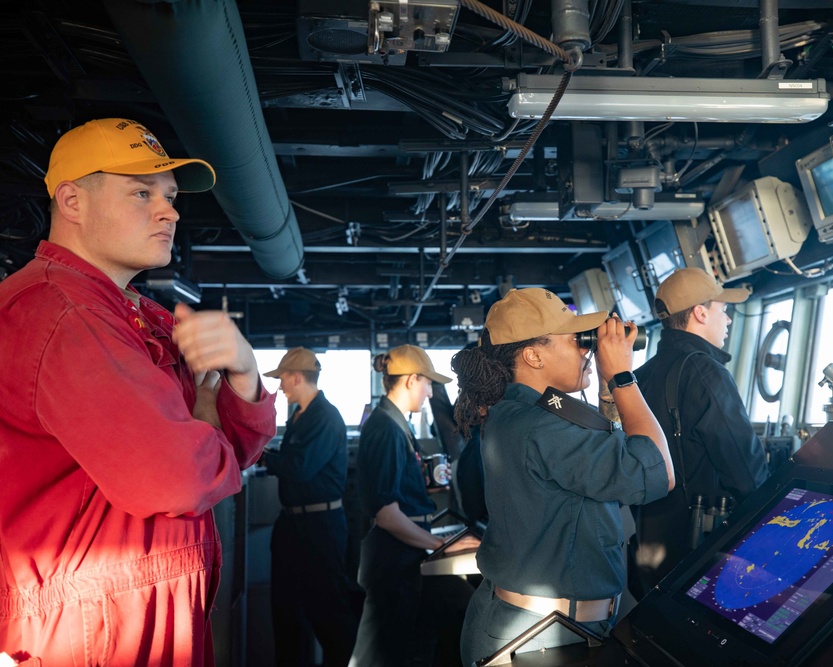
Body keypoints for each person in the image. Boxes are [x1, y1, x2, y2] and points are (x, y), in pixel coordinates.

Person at [0, 118, 276, 665]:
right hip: (94, 625)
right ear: (72, 200)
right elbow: (175, 479)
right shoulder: (65, 313)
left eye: (171, 196)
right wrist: (207, 426)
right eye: (142, 192)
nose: (169, 210)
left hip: (134, 603)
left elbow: (219, 458)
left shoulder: (137, 318)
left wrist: (242, 377)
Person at [452, 288, 675, 666]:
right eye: (575, 339)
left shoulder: (514, 411)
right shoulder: (542, 426)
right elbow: (657, 471)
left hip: (530, 625)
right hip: (542, 636)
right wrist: (622, 375)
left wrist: (605, 391)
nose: (585, 348)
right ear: (533, 355)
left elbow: (596, 450)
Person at [630, 267, 770, 597]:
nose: (729, 320)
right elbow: (745, 471)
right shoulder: (706, 372)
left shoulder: (642, 375)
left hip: (648, 545)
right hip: (699, 549)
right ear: (700, 313)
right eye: (724, 310)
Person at [350, 345, 478, 667]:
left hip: (402, 553)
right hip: (391, 558)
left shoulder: (396, 424)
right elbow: (387, 514)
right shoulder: (385, 429)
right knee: (379, 654)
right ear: (410, 380)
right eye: (428, 383)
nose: (430, 391)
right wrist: (442, 546)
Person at [260, 347, 357, 666]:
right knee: (286, 613)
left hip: (320, 528)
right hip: (293, 527)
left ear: (297, 377)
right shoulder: (301, 414)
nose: (281, 386)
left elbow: (300, 467)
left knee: (329, 615)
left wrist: (261, 456)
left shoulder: (324, 416)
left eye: (283, 379)